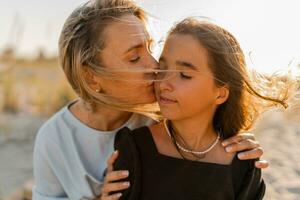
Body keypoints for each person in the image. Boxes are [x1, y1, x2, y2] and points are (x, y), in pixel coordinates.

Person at [33, 1, 268, 200]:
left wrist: (239, 142)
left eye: (149, 49)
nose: (155, 67)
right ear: (90, 76)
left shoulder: (165, 115)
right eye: (135, 57)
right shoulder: (54, 139)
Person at [102, 18, 293, 200]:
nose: (164, 83)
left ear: (220, 94)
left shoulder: (244, 162)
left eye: (184, 75)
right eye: (162, 68)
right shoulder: (134, 148)